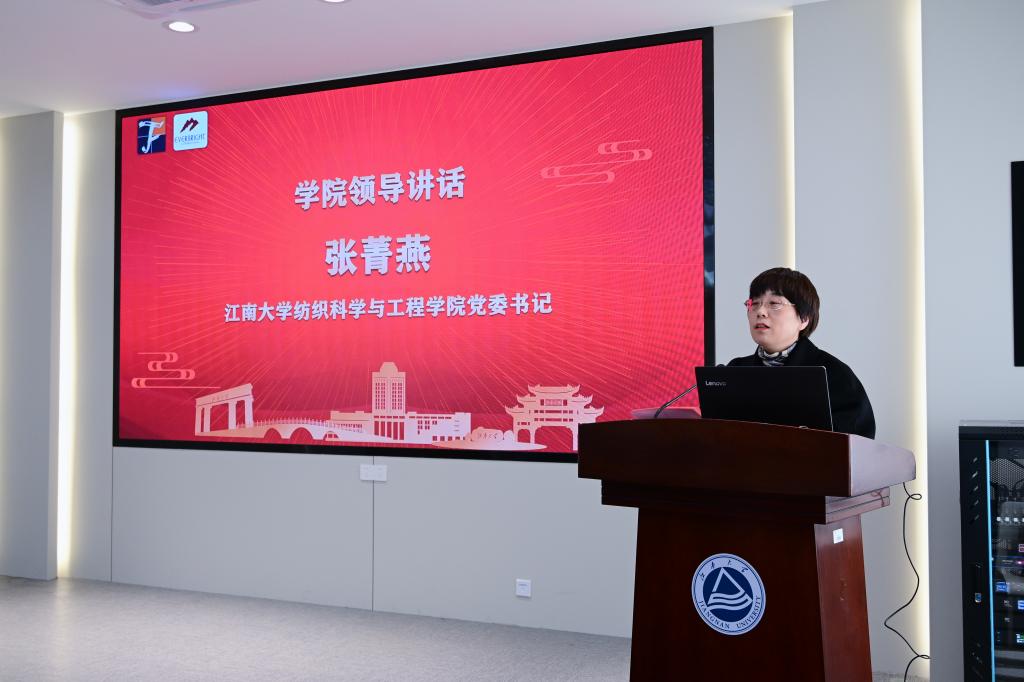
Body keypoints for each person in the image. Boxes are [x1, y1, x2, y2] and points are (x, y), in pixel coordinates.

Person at [727, 267, 876, 439]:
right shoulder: (734, 371)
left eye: (774, 304)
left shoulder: (833, 374)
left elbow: (857, 443)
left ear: (804, 318)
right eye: (754, 303)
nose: (760, 312)